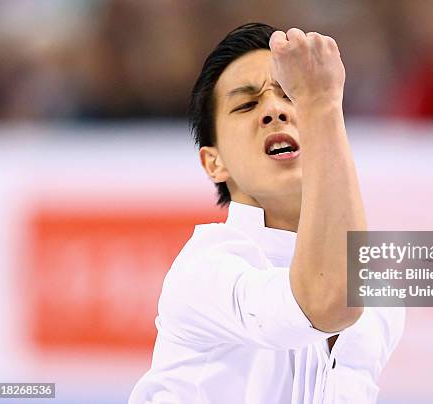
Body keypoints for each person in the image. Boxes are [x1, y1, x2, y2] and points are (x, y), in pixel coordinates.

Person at [129, 22, 405, 404]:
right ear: (214, 163)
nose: (274, 110)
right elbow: (326, 301)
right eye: (246, 104)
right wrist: (320, 102)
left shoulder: (381, 294)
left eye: (291, 94)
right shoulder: (206, 270)